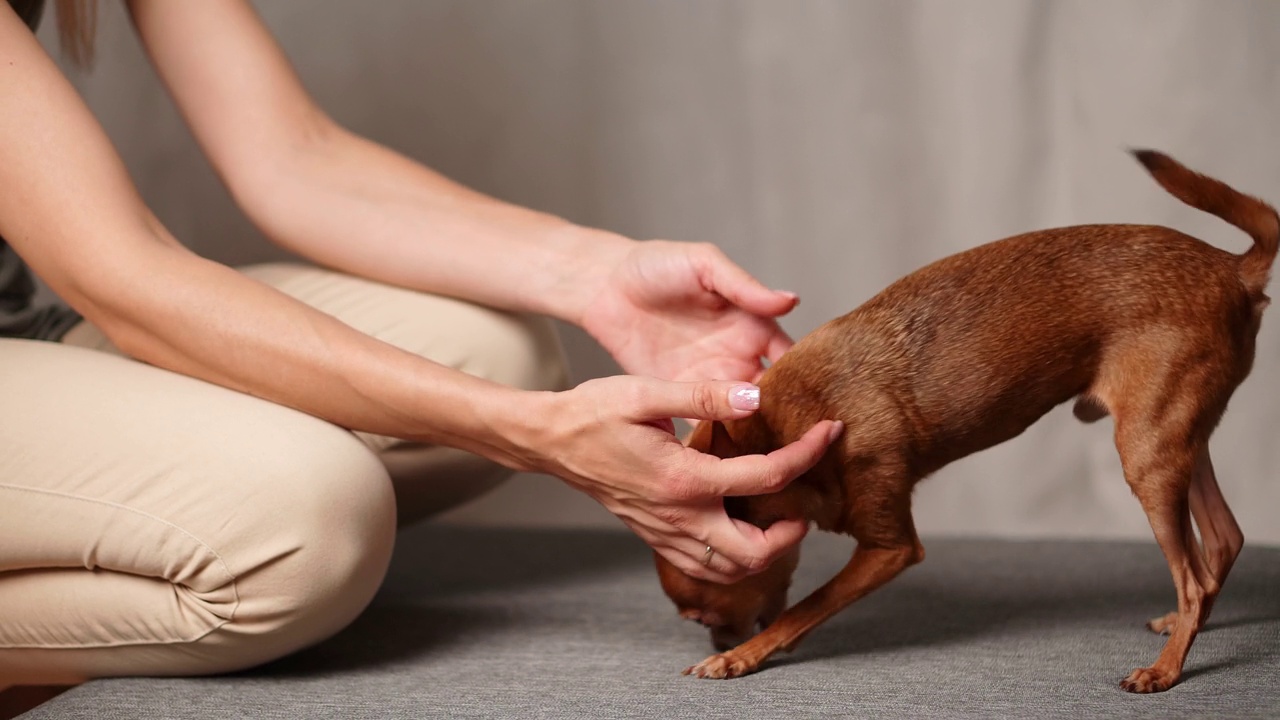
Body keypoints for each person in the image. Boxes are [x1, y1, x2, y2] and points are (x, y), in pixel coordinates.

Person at [0, 0, 840, 684]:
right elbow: (122, 278)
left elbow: (295, 154)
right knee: (304, 528)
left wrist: (600, 277)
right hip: (85, 298)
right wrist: (537, 433)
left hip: (28, 327)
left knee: (500, 354)